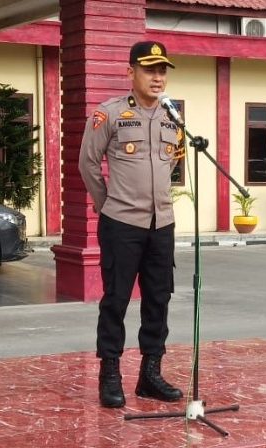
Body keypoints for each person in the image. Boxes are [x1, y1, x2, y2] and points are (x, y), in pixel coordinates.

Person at [79, 41, 186, 408]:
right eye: (149, 69)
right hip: (121, 223)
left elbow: (172, 163)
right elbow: (87, 164)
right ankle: (110, 374)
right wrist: (105, 202)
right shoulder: (108, 114)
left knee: (159, 298)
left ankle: (150, 374)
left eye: (162, 70)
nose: (158, 77)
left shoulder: (174, 118)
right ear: (130, 73)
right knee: (117, 300)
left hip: (163, 224)